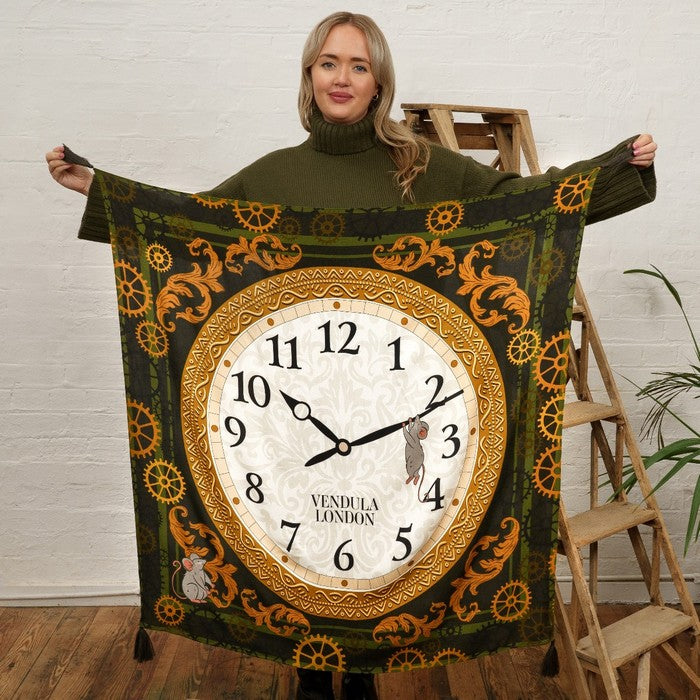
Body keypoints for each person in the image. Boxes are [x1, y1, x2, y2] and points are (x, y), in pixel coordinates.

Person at [45, 11, 657, 700]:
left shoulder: (420, 168)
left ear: (378, 83)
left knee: (373, 535)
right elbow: (187, 226)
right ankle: (310, 674)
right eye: (329, 63)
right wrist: (100, 188)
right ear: (310, 75)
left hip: (383, 405)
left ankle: (363, 673)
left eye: (359, 66)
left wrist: (613, 169)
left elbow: (522, 202)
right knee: (303, 535)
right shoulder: (275, 174)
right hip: (297, 412)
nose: (342, 77)